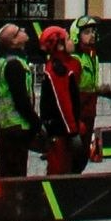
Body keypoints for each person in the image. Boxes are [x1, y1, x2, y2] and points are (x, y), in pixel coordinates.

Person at [0, 22, 43, 221]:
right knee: (12, 185)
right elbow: (21, 100)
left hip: (9, 130)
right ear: (12, 41)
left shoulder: (11, 62)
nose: (23, 31)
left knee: (9, 182)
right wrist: (36, 123)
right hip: (14, 130)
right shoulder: (13, 65)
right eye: (17, 31)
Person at [39, 23, 91, 179]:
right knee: (59, 173)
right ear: (60, 46)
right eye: (68, 39)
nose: (72, 42)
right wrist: (73, 131)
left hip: (59, 130)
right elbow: (64, 103)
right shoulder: (58, 69)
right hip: (60, 133)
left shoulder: (59, 66)